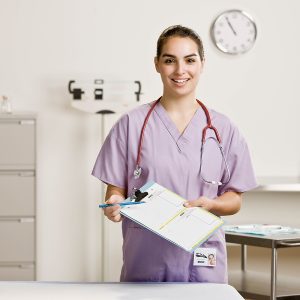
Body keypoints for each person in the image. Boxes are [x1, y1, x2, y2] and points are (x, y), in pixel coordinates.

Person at [92, 25, 257, 282]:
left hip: (203, 262)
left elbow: (234, 199)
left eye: (189, 60)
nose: (180, 70)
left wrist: (212, 204)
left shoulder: (224, 129)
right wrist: (114, 205)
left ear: (202, 63)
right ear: (157, 64)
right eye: (170, 60)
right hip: (146, 263)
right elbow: (115, 192)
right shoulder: (130, 125)